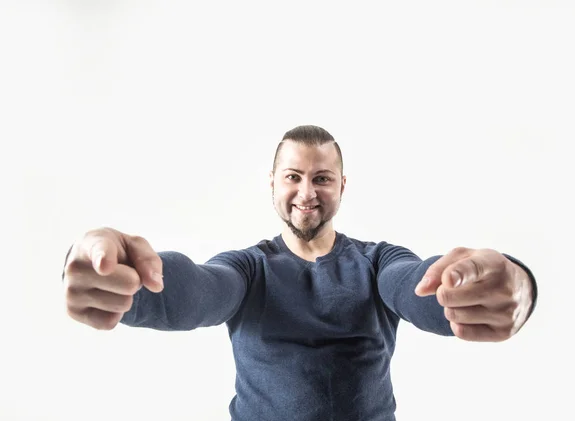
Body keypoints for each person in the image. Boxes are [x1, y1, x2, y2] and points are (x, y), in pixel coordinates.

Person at [62, 125, 538, 421]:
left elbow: (421, 290)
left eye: (322, 178)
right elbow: (196, 291)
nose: (306, 192)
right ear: (272, 183)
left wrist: (513, 283)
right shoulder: (247, 269)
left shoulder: (378, 262)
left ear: (341, 186)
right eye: (293, 176)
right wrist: (120, 276)